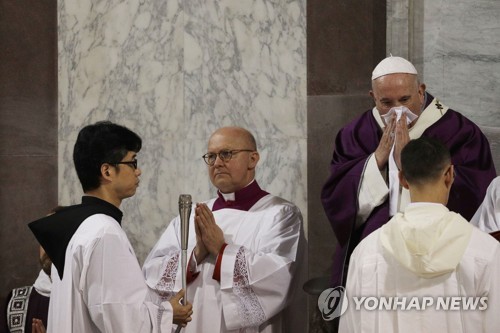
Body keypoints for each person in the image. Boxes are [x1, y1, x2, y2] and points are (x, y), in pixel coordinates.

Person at [321, 56, 496, 287]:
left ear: (421, 91)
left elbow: (476, 192)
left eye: (405, 99)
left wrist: (411, 164)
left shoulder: (459, 131)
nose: (397, 111)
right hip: (376, 252)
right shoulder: (355, 133)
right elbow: (337, 196)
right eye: (386, 102)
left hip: (440, 250)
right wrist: (375, 163)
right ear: (373, 98)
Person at [28, 121, 193, 332]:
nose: (138, 171)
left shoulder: (78, 226)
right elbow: (119, 319)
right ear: (107, 171)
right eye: (132, 162)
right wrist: (168, 313)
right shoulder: (104, 232)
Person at [143, 126, 307, 333]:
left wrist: (222, 251)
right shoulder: (192, 215)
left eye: (226, 154)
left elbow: (280, 277)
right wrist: (196, 255)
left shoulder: (280, 214)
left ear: (253, 159)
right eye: (211, 156)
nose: (217, 163)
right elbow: (152, 273)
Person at [339, 137, 500, 333]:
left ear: (402, 179)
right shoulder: (485, 250)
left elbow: (351, 325)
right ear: (449, 174)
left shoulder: (366, 251)